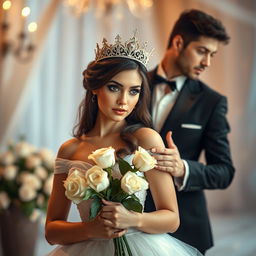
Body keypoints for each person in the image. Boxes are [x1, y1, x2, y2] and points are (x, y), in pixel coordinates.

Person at [45, 33, 202, 256]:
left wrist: (132, 219)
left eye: (134, 91)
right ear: (95, 88)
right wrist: (90, 229)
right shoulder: (70, 150)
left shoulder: (146, 139)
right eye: (114, 87)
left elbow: (172, 218)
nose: (123, 101)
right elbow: (52, 231)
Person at [144, 9, 235, 255]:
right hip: (130, 222)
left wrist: (182, 168)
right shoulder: (133, 85)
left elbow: (224, 172)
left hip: (185, 230)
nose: (207, 63)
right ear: (178, 42)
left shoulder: (212, 102)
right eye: (202, 51)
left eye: (212, 55)